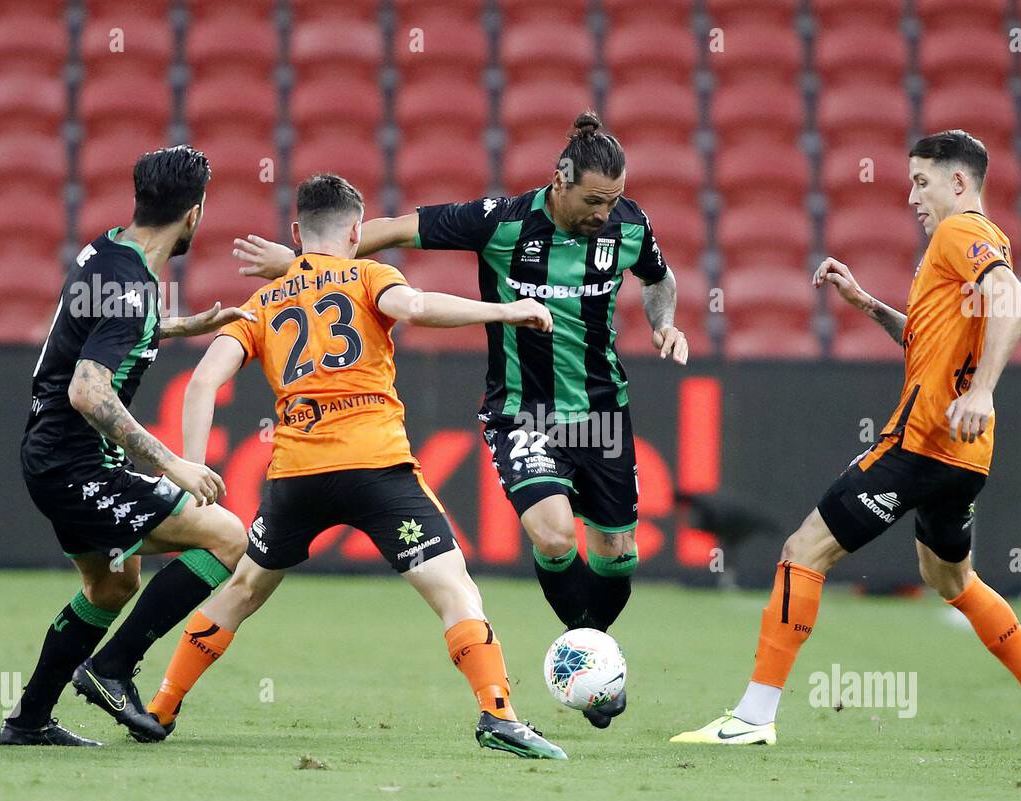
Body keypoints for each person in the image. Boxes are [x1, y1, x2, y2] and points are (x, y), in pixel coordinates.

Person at [232, 111, 687, 730]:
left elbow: (660, 280)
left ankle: (591, 656)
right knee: (553, 536)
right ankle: (592, 665)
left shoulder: (630, 226)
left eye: (614, 200)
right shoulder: (499, 221)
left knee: (618, 553)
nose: (604, 213)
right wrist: (305, 262)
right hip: (521, 411)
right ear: (560, 180)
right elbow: (391, 230)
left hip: (604, 413)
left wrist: (664, 322)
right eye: (593, 200)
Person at [672, 130, 1021, 749]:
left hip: (920, 443)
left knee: (802, 550)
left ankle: (754, 717)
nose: (912, 195)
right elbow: (931, 341)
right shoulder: (967, 248)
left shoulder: (958, 232)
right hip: (966, 457)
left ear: (957, 182)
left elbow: (1013, 296)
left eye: (921, 181)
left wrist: (983, 391)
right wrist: (867, 304)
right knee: (951, 580)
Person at [144, 173, 567, 760]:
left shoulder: (263, 301)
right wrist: (506, 310)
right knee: (453, 590)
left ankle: (161, 706)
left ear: (296, 233)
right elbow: (416, 307)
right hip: (376, 469)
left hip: (296, 477)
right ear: (357, 231)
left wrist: (191, 468)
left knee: (242, 588)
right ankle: (498, 713)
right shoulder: (372, 274)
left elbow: (201, 382)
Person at [6, 145, 250, 746]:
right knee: (228, 537)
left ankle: (29, 721)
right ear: (193, 215)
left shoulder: (107, 249)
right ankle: (112, 669)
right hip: (74, 463)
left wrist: (178, 327)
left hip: (51, 455)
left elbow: (101, 326)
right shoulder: (133, 286)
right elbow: (87, 391)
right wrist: (173, 462)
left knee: (112, 585)